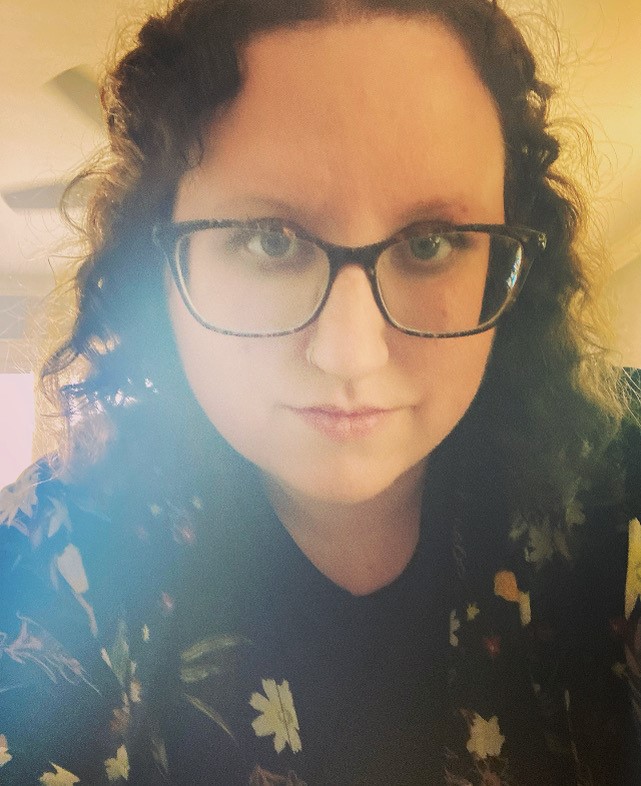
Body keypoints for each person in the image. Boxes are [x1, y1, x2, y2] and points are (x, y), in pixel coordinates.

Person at [1, 0, 639, 783]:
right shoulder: (49, 563)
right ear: (158, 270)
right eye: (269, 240)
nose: (348, 354)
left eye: (430, 243)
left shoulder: (616, 500)